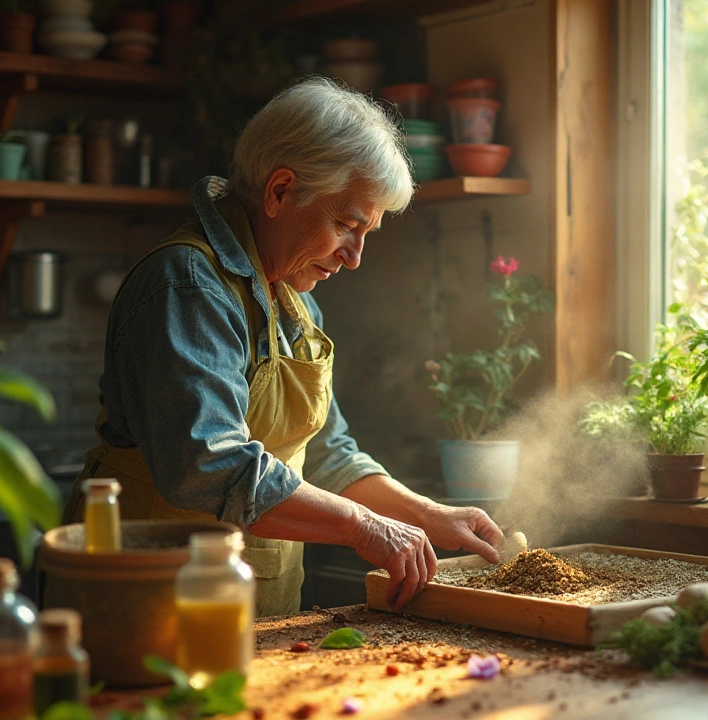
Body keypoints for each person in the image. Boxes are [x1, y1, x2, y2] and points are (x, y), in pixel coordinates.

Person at [64, 78, 504, 616]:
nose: (355, 257)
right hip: (147, 604)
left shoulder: (293, 299)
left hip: (249, 606)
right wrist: (363, 527)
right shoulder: (188, 286)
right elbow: (208, 464)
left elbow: (324, 454)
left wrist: (430, 515)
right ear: (280, 191)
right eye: (346, 224)